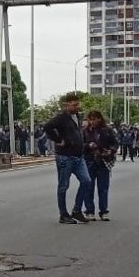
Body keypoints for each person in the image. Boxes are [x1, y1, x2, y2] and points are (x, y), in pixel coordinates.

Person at [43, 92, 93, 225]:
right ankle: (63, 214)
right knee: (63, 185)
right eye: (75, 104)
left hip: (78, 156)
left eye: (78, 104)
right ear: (67, 105)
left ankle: (77, 209)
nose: (77, 106)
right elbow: (47, 127)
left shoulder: (77, 116)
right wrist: (58, 140)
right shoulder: (61, 118)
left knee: (87, 181)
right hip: (65, 156)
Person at [81, 110, 118, 222]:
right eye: (90, 119)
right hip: (89, 162)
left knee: (103, 188)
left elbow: (115, 144)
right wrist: (88, 145)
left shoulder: (107, 130)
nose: (92, 121)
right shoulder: (84, 132)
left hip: (103, 161)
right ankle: (89, 211)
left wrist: (110, 151)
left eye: (94, 119)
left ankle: (103, 211)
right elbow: (80, 145)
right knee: (89, 188)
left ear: (99, 119)